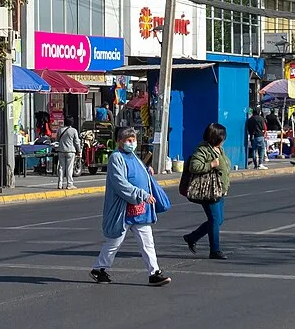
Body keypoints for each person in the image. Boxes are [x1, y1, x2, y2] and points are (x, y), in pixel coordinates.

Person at [92, 126, 172, 286]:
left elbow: (138, 174)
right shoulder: (116, 158)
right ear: (119, 141)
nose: (132, 143)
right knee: (114, 242)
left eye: (133, 140)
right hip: (124, 210)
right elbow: (120, 184)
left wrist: (146, 171)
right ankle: (99, 269)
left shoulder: (133, 156)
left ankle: (154, 273)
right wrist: (142, 194)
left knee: (147, 242)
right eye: (128, 140)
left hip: (140, 210)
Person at [179, 122, 231, 260]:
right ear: (216, 137)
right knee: (214, 219)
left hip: (219, 190)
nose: (224, 139)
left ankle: (192, 237)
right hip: (209, 190)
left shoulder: (219, 149)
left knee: (218, 220)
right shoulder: (203, 150)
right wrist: (211, 164)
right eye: (222, 137)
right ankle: (215, 250)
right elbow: (194, 166)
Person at [54, 118, 82, 189]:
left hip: (61, 150)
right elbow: (76, 142)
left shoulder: (60, 130)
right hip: (70, 151)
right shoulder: (73, 130)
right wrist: (79, 151)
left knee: (61, 168)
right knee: (69, 168)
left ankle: (60, 184)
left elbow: (57, 139)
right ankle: (69, 184)